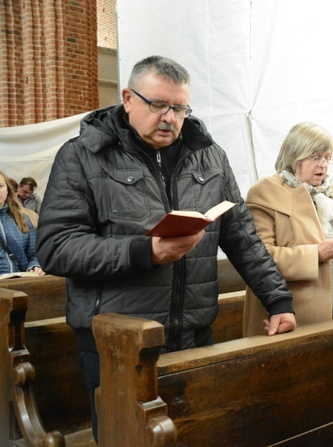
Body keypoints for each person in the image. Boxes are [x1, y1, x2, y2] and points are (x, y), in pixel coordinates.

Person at [36, 55, 296, 441]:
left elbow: (242, 236)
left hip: (192, 333)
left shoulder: (209, 155)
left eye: (179, 107)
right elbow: (56, 247)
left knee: (193, 436)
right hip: (118, 343)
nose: (170, 118)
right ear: (127, 98)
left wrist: (278, 301)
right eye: (158, 104)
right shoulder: (81, 156)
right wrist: (144, 253)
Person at [243, 123, 333, 336]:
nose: (324, 165)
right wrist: (315, 254)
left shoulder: (330, 194)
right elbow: (258, 257)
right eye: (316, 157)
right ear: (295, 157)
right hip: (290, 319)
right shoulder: (265, 193)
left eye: (327, 157)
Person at [0, 171, 45, 276]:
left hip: (20, 285)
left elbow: (34, 255)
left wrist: (35, 266)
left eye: (1, 186)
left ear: (7, 189)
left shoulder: (23, 219)